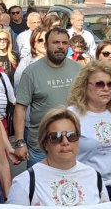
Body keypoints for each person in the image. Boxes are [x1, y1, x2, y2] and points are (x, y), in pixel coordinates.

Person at [8, 108, 109, 206]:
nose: (65, 142)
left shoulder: (94, 177)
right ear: (45, 143)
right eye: (56, 137)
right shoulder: (25, 182)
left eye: (71, 135)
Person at [66, 61, 111, 200]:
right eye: (99, 84)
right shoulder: (71, 115)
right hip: (87, 188)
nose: (106, 88)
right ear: (85, 86)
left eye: (110, 84)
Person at [13, 28, 83, 167]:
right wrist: (20, 142)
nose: (60, 46)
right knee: (38, 187)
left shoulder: (79, 70)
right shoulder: (31, 72)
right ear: (45, 46)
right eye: (55, 42)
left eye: (64, 43)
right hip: (41, 148)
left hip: (70, 143)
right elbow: (20, 109)